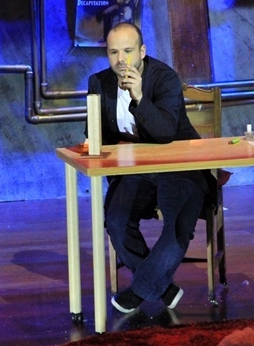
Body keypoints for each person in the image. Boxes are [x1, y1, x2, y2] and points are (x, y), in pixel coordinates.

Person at [86, 23, 211, 313]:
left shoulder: (165, 78)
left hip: (180, 165)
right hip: (136, 167)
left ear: (142, 51)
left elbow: (165, 132)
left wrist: (139, 96)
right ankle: (161, 286)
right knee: (116, 221)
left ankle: (140, 289)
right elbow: (94, 133)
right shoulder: (98, 82)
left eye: (128, 51)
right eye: (113, 52)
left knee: (178, 223)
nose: (121, 59)